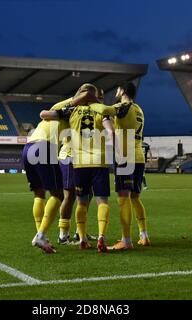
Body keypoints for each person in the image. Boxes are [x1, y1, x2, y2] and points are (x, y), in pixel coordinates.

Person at [40, 84, 115, 253]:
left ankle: (81, 233)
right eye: (98, 96)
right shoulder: (71, 107)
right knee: (70, 195)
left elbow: (47, 114)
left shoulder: (74, 110)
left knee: (86, 196)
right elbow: (49, 113)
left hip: (80, 159)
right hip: (69, 156)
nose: (99, 100)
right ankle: (63, 234)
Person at [24, 85, 94, 253]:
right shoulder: (72, 107)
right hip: (44, 147)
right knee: (58, 195)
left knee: (39, 194)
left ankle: (42, 236)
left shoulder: (62, 107)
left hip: (28, 147)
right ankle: (41, 235)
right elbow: (85, 94)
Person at [108, 82, 150, 250]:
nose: (116, 92)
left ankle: (126, 240)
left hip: (125, 157)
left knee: (123, 197)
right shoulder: (139, 109)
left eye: (118, 89)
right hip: (139, 156)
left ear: (123, 91)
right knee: (135, 197)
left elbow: (104, 112)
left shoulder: (122, 106)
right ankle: (144, 235)